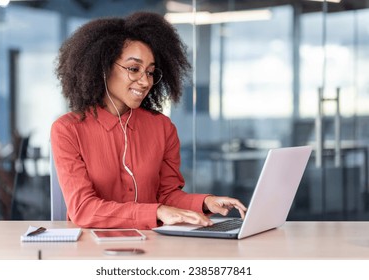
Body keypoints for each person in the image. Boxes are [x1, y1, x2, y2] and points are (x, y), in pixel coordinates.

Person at [50, 11, 246, 229]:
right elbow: (83, 209)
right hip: (91, 249)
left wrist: (206, 202)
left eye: (151, 72)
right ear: (103, 68)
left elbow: (167, 195)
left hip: (152, 245)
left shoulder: (162, 127)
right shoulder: (68, 129)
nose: (145, 82)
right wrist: (157, 211)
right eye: (134, 69)